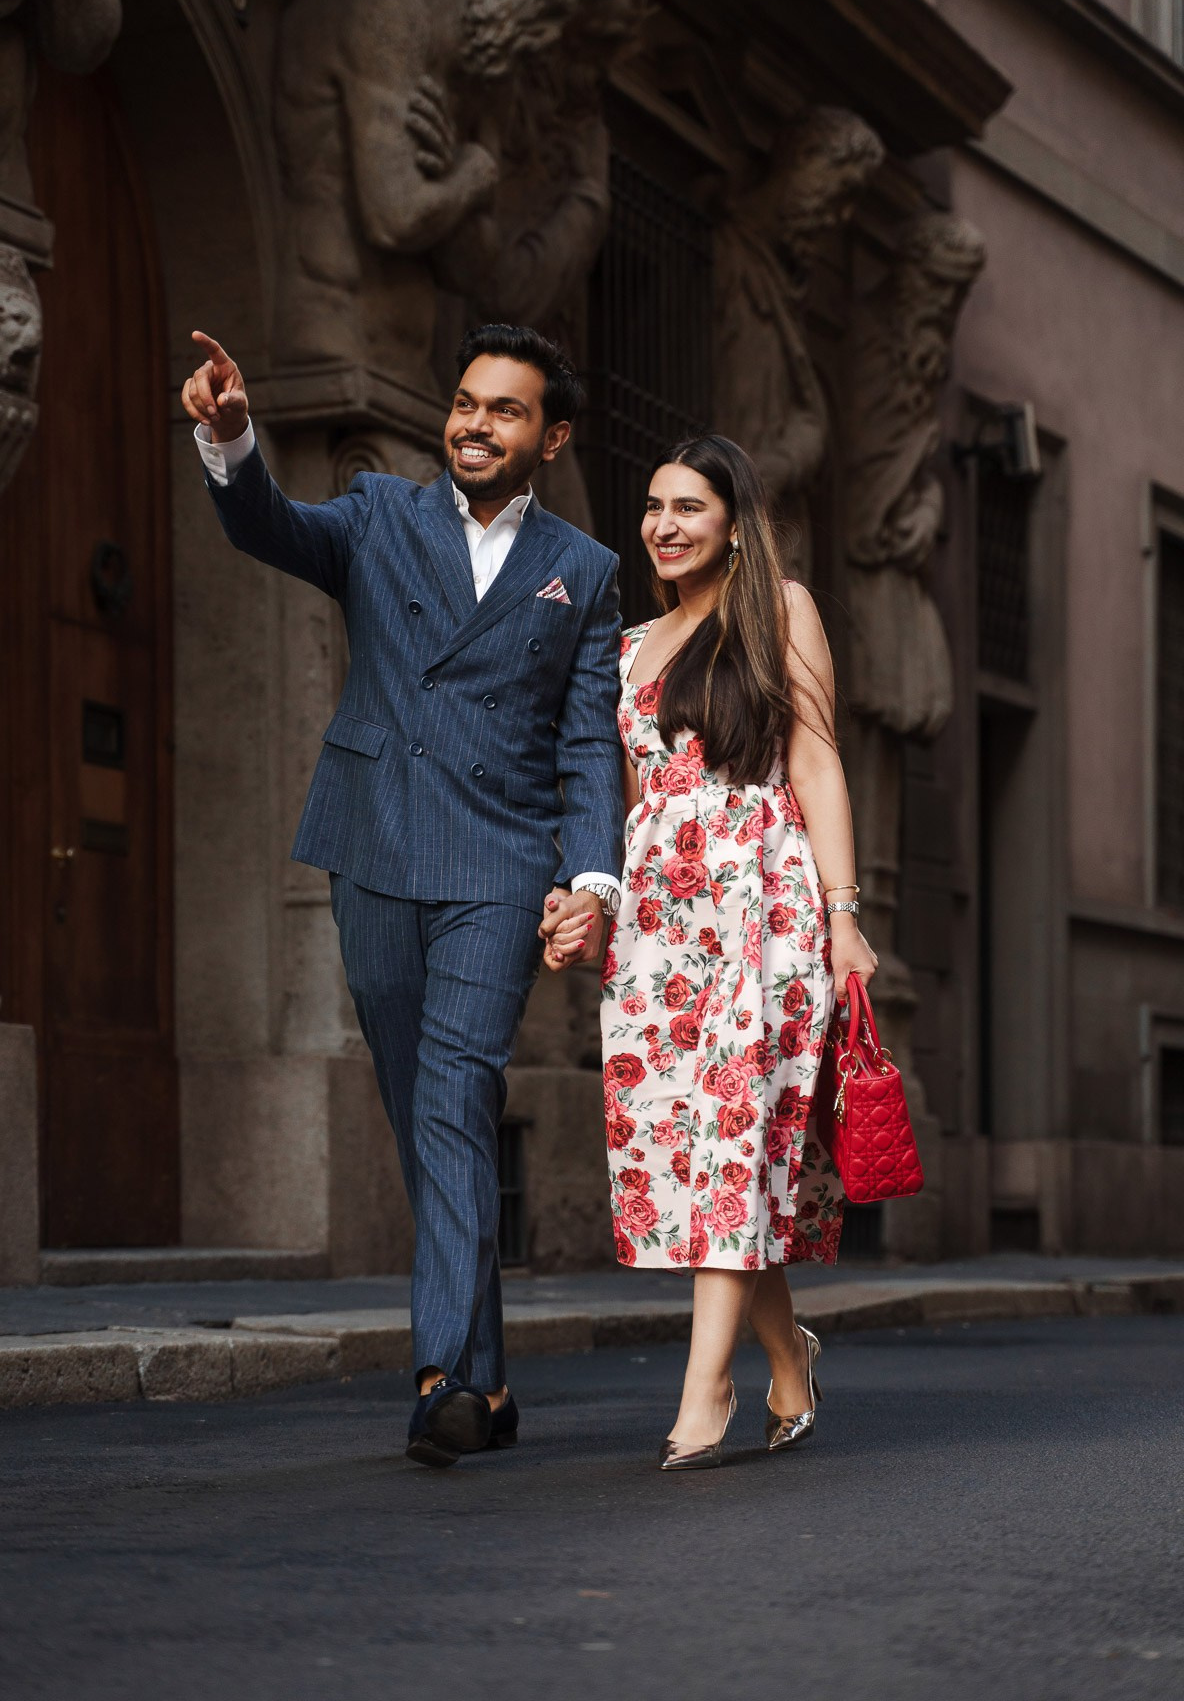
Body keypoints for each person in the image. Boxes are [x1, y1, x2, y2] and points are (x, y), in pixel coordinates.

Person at [184, 323, 624, 1467]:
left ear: (550, 435)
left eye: (506, 411)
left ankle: (442, 1377)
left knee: (452, 1093)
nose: (475, 423)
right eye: (466, 403)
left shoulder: (582, 570)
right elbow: (270, 529)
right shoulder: (378, 513)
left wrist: (590, 880)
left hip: (498, 862)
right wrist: (233, 441)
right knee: (424, 1111)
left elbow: (586, 746)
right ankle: (487, 1379)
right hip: (373, 845)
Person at [543, 433, 877, 1469]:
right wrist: (586, 903)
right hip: (656, 931)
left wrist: (842, 913)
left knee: (735, 1143)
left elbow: (815, 766)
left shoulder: (779, 609)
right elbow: (625, 801)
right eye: (652, 506)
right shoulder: (626, 645)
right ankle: (788, 1358)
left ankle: (705, 1390)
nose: (664, 525)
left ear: (733, 522)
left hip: (760, 911)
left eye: (688, 506)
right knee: (692, 1161)